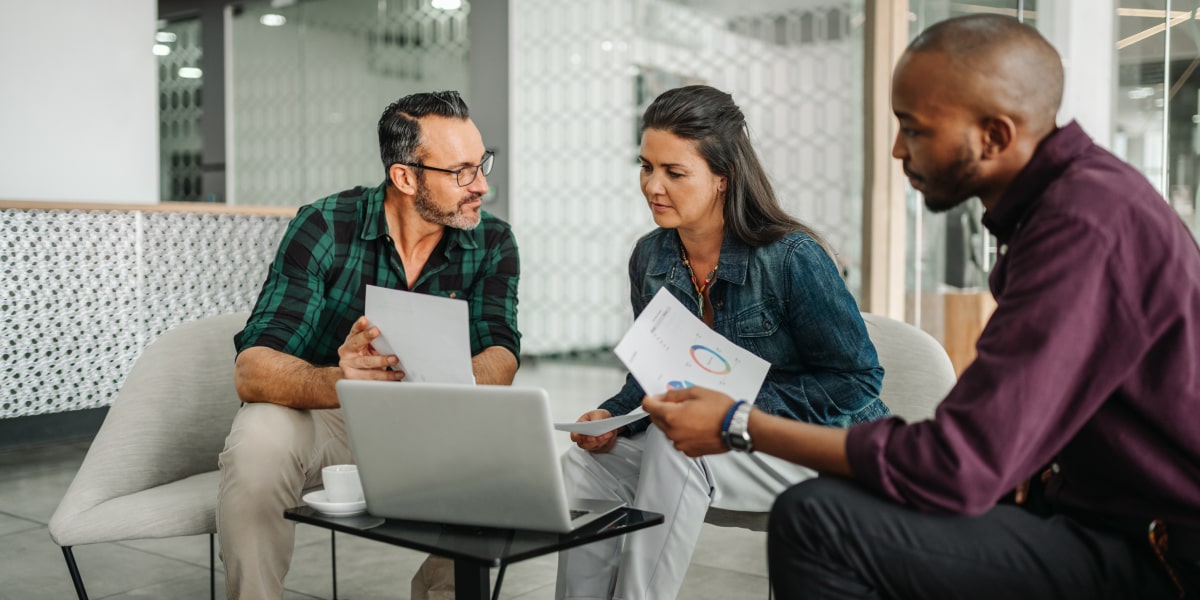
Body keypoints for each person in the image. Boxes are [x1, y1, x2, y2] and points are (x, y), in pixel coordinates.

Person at [644, 15, 1200, 600]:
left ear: (995, 135)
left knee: (817, 521)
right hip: (1083, 513)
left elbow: (958, 466)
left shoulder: (1085, 226)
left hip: (1155, 552)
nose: (896, 149)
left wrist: (739, 424)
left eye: (915, 129)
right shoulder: (1070, 206)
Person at [556, 85, 888, 600]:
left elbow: (857, 380)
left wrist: (733, 411)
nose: (652, 186)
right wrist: (610, 413)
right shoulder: (650, 258)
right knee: (583, 469)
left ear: (721, 179)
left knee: (676, 443)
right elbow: (654, 370)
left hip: (812, 446)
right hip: (725, 447)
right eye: (646, 167)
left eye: (674, 172)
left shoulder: (791, 257)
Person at [218, 90, 520, 600]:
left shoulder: (492, 241)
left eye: (482, 163)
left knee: (502, 451)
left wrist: (444, 383)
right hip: (329, 414)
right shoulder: (323, 226)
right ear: (405, 178)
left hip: (433, 418)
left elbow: (502, 353)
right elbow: (252, 370)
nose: (482, 186)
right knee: (258, 441)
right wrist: (340, 379)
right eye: (462, 171)